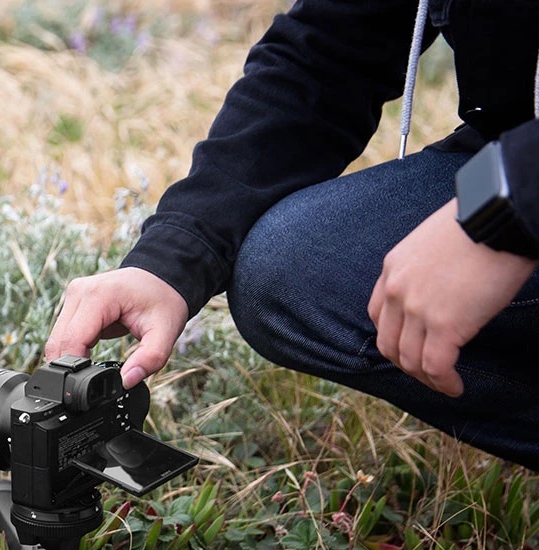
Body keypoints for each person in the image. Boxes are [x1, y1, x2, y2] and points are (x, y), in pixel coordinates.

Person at [44, 0, 539, 471]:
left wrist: (503, 211)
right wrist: (171, 258)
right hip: (510, 148)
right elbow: (327, 53)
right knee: (290, 268)